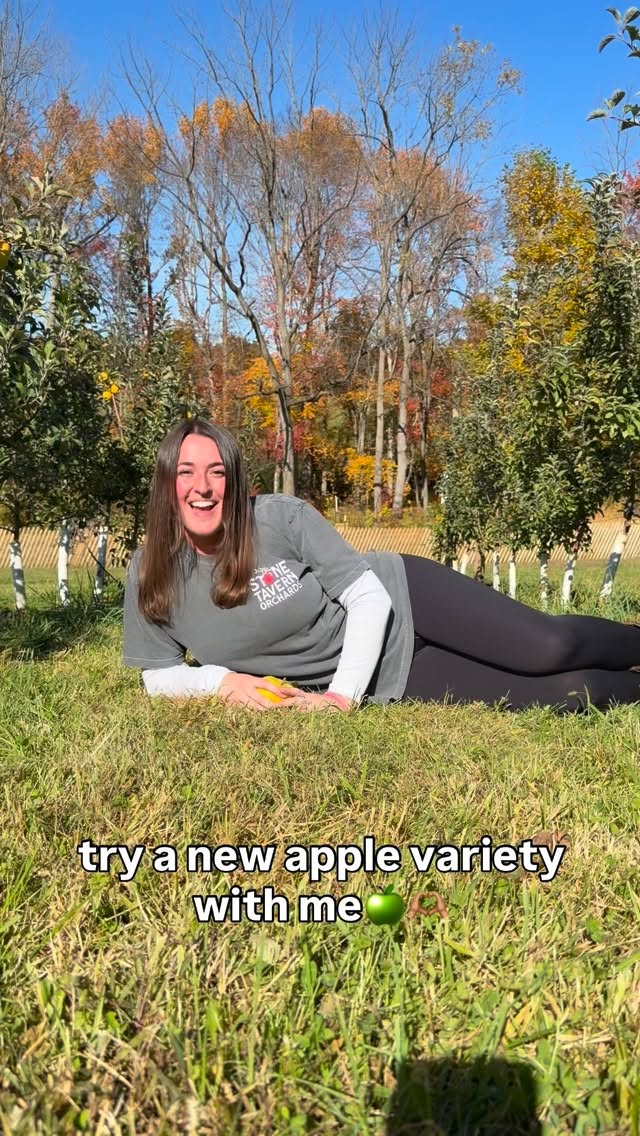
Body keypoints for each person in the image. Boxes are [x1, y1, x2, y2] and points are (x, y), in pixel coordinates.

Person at [123, 417, 640, 714]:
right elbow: (156, 676)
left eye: (217, 471)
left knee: (551, 647)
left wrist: (338, 699)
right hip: (388, 675)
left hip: (407, 598)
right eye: (187, 471)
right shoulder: (150, 570)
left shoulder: (278, 519)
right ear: (168, 482)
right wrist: (218, 682)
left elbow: (368, 597)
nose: (204, 486)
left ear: (234, 481)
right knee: (573, 694)